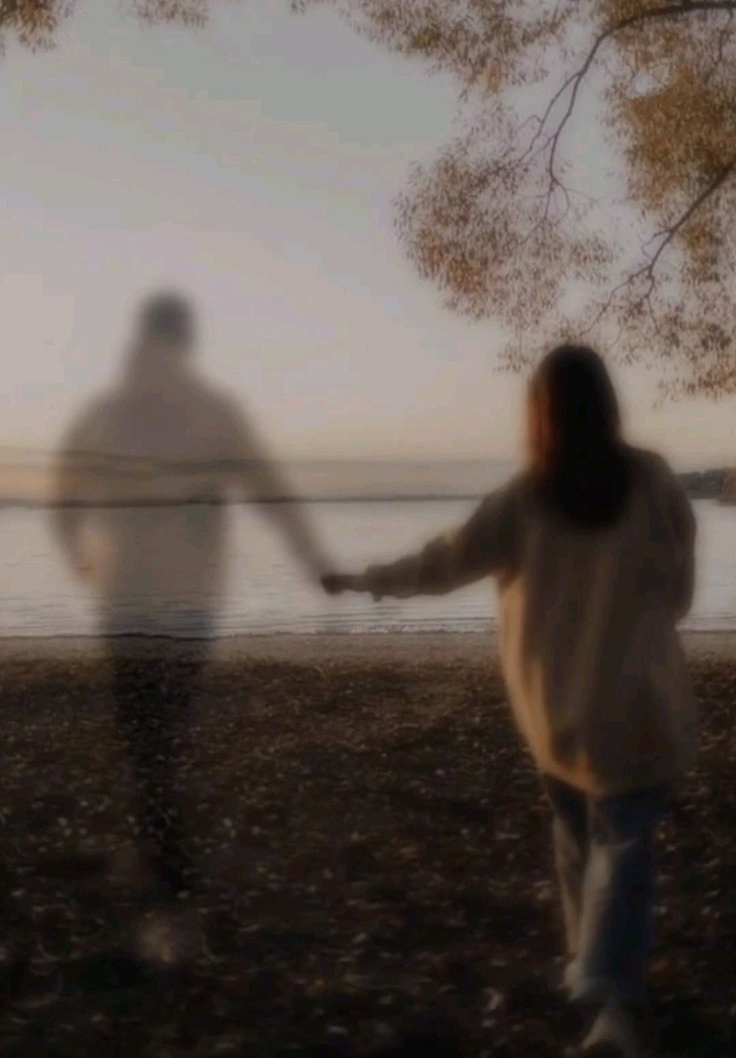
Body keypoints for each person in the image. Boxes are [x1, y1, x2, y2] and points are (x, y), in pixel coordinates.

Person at [323, 344, 696, 1058]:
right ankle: (610, 1005)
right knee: (624, 849)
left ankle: (590, 973)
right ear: (609, 407)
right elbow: (677, 587)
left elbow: (443, 562)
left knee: (578, 842)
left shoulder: (525, 500)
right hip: (640, 711)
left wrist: (364, 579)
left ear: (540, 417)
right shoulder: (651, 479)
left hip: (557, 716)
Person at [52, 292, 330, 965]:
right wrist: (312, 557)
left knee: (153, 751)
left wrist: (81, 555)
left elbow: (65, 494)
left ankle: (168, 894)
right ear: (182, 341)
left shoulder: (116, 413)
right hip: (172, 608)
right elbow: (269, 489)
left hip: (142, 606)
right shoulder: (205, 412)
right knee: (158, 749)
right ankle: (166, 884)